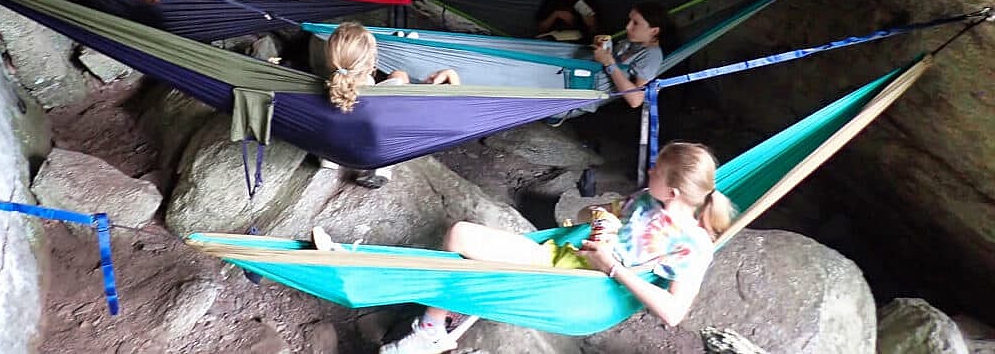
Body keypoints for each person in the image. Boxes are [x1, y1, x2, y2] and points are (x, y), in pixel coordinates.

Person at [310, 142, 734, 354]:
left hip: (587, 293)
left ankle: (423, 326)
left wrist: (611, 267)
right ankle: (434, 328)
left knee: (475, 275)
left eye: (657, 168)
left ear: (676, 191)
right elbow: (595, 212)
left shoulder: (692, 246)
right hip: (559, 258)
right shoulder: (647, 198)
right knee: (459, 235)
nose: (650, 170)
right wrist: (600, 219)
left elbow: (674, 314)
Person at [324, 22, 459, 188]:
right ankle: (382, 167)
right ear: (371, 64)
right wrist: (450, 77)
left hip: (332, 144)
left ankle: (328, 159)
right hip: (371, 145)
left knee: (389, 80)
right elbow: (446, 114)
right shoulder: (384, 96)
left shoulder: (320, 89)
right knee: (399, 77)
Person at [593, 0, 676, 106]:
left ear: (654, 31)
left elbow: (636, 100)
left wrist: (609, 64)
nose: (627, 27)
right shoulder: (633, 42)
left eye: (635, 23)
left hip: (600, 95)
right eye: (630, 20)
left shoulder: (652, 56)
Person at [535, 0, 599, 42]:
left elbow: (595, 32)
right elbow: (540, 28)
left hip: (579, 40)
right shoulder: (551, 1)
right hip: (552, 39)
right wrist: (556, 15)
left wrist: (590, 23)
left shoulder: (588, 1)